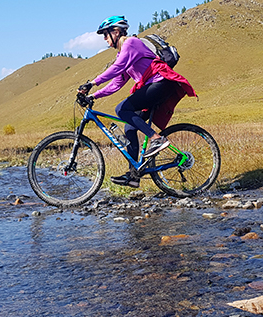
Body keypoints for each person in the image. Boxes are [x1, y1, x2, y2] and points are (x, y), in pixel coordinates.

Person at [78, 15, 195, 188]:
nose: (104, 39)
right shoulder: (124, 53)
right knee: (129, 127)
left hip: (160, 83)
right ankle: (134, 176)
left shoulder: (131, 44)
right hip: (152, 87)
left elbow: (116, 68)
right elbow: (117, 82)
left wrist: (92, 83)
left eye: (105, 34)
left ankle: (157, 139)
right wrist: (93, 96)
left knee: (122, 109)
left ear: (116, 32)